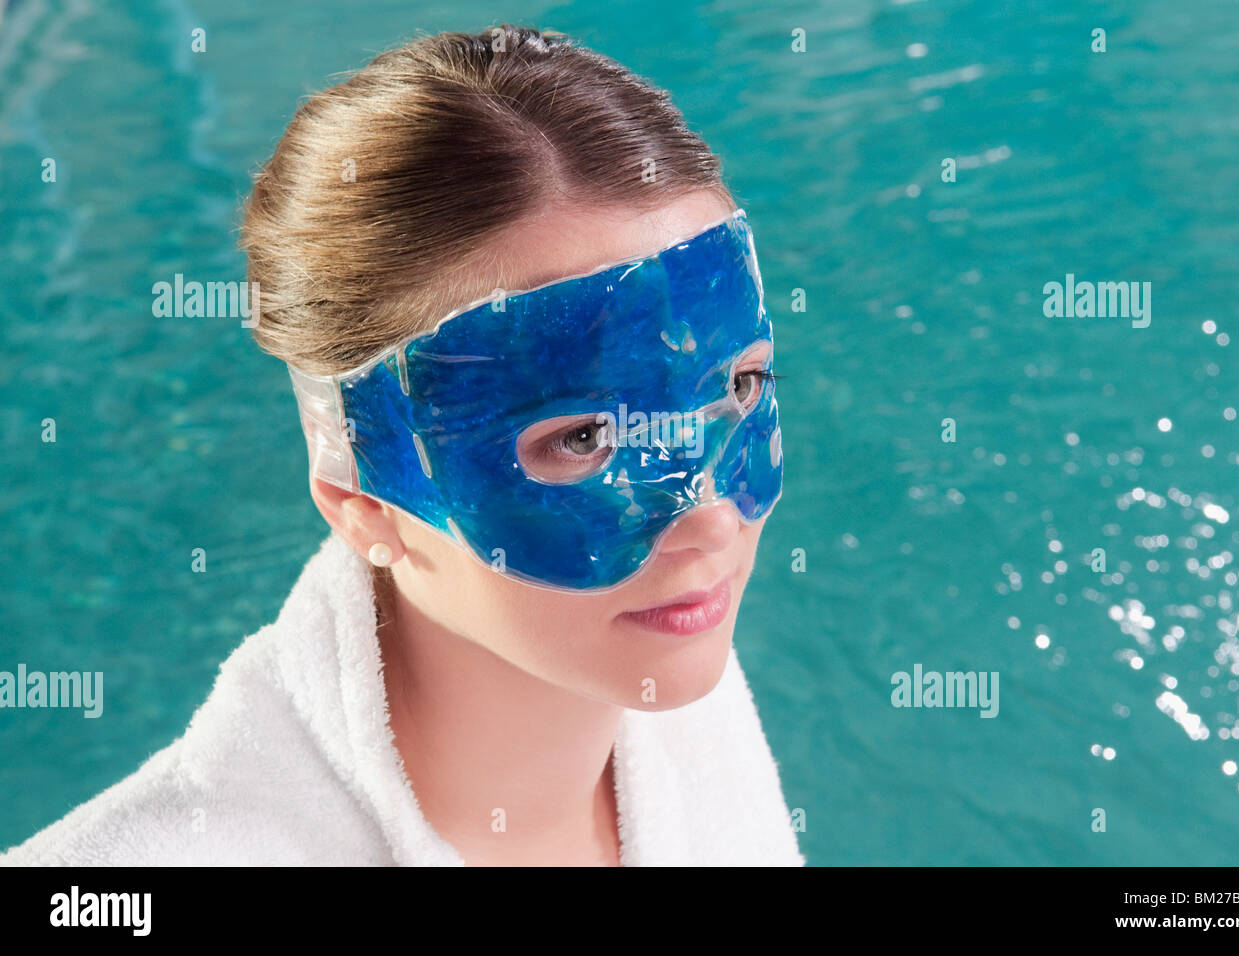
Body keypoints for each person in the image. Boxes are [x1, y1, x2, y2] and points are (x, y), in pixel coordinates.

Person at [1, 23, 803, 867]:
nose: (709, 514)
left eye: (739, 387)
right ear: (361, 500)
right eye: (585, 437)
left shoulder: (670, 694)